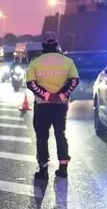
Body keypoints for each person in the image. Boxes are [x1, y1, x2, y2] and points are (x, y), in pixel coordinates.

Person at [25, 31, 79, 179]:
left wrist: (47, 96)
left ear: (43, 45)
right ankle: (63, 168)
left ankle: (43, 170)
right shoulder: (67, 61)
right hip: (60, 106)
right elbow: (74, 81)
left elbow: (31, 83)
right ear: (56, 44)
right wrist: (61, 95)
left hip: (42, 106)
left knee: (42, 138)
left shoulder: (35, 62)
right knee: (60, 135)